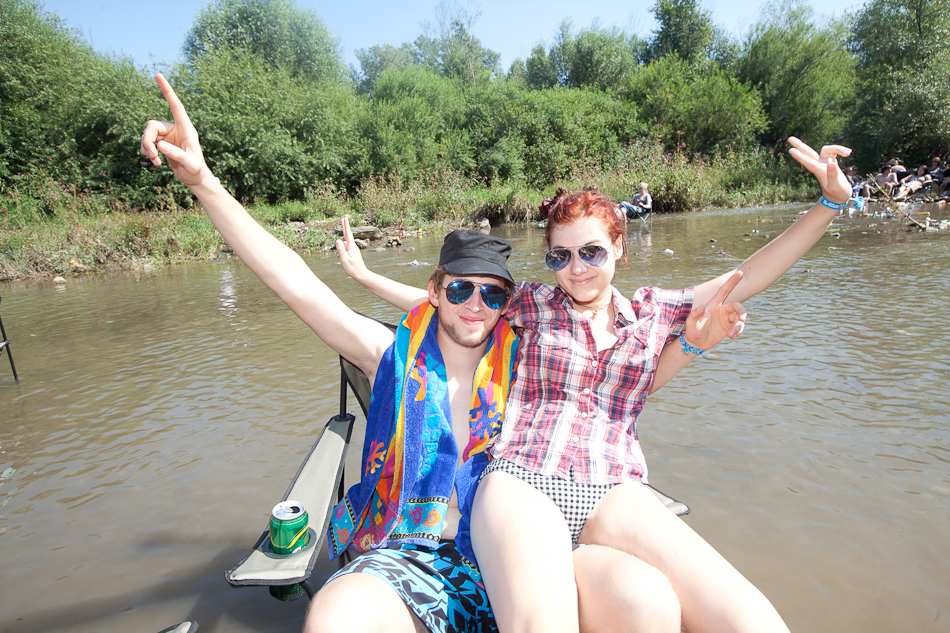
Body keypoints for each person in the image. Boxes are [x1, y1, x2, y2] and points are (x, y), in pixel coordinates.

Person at [139, 73, 745, 633]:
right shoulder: (390, 355)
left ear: (508, 303)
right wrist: (204, 182)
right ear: (434, 292)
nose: (475, 305)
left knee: (643, 598)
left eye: (492, 293)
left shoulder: (530, 357)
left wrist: (694, 342)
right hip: (412, 554)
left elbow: (620, 382)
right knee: (339, 615)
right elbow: (293, 282)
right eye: (459, 290)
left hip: (528, 551)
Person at [339, 136, 852, 633]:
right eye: (560, 257)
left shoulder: (654, 312)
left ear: (619, 247)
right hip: (523, 477)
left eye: (591, 252)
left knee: (741, 611)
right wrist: (365, 278)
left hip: (613, 487)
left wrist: (829, 204)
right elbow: (453, 303)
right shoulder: (534, 304)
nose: (576, 268)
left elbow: (747, 276)